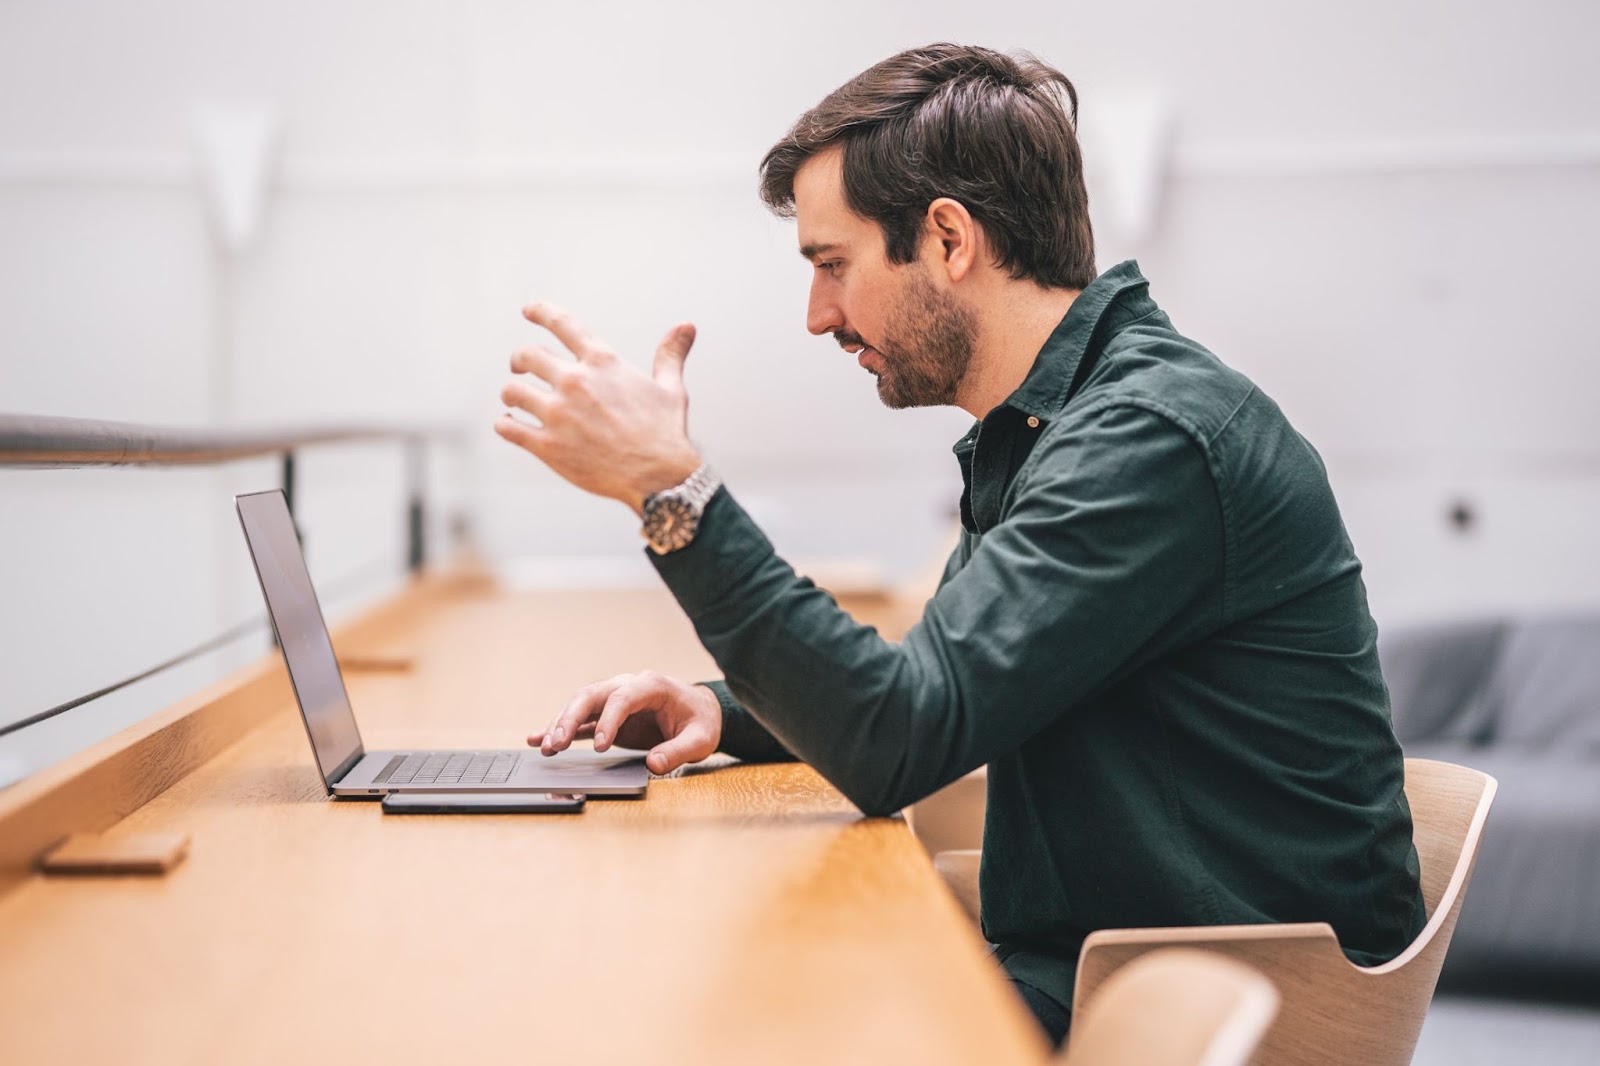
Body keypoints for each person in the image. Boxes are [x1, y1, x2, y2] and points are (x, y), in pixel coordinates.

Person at [493, 43, 1425, 1046]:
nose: (817, 318)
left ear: (947, 238)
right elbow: (945, 683)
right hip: (1110, 957)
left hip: (1206, 1004)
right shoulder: (1050, 426)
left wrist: (669, 488)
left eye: (831, 265)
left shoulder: (1149, 441)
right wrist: (723, 715)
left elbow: (899, 735)